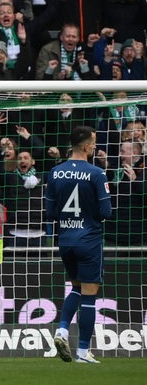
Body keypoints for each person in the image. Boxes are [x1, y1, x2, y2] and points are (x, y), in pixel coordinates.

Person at [45, 126, 112, 364]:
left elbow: (50, 212)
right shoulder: (97, 173)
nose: (95, 146)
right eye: (93, 142)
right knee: (89, 297)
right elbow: (106, 212)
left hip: (65, 241)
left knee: (75, 287)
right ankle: (83, 352)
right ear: (85, 146)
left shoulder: (54, 172)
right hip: (89, 239)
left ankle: (62, 330)